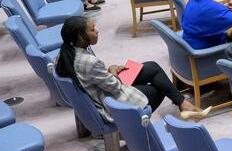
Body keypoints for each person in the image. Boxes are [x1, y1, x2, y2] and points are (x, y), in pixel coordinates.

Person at [56, 15, 206, 121]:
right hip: (112, 100)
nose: (97, 31)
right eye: (92, 29)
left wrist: (109, 71)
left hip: (103, 88)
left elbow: (92, 77)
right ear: (80, 37)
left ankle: (183, 104)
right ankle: (179, 107)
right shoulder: (89, 62)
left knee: (152, 67)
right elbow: (114, 87)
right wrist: (112, 70)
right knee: (159, 88)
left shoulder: (66, 54)